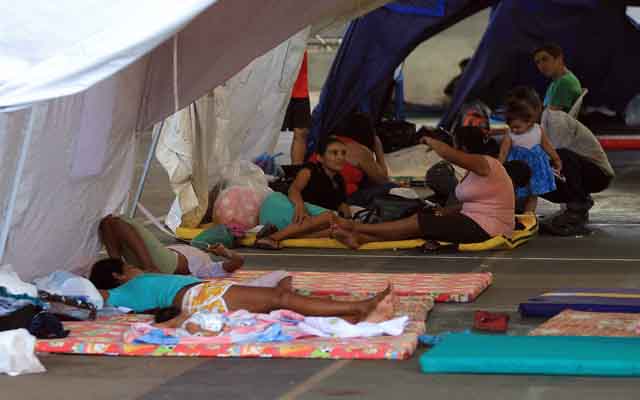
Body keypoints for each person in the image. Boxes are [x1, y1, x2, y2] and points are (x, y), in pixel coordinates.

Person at [329, 126, 532, 249]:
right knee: (424, 219)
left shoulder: (485, 163)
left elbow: (453, 156)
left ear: (463, 148)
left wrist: (433, 142)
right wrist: (444, 211)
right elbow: (471, 205)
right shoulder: (475, 171)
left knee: (419, 222)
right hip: (476, 220)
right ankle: (360, 238)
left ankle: (356, 227)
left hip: (487, 228)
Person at [88, 259, 396, 324]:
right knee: (280, 299)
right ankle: (356, 309)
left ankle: (352, 313)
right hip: (200, 297)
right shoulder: (121, 294)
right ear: (118, 276)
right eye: (128, 267)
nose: (135, 268)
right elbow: (88, 297)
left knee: (278, 302)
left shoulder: (137, 283)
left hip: (207, 292)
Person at [508, 88, 615, 232]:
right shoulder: (528, 130)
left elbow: (561, 164)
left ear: (538, 108)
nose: (521, 117)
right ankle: (519, 210)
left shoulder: (556, 120)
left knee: (556, 157)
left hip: (598, 174)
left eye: (525, 112)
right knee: (522, 165)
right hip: (578, 173)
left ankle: (577, 208)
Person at [256, 136, 350, 249]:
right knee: (330, 217)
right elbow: (294, 189)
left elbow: (344, 208)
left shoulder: (339, 180)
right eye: (334, 153)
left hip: (300, 223)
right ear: (320, 158)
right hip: (282, 207)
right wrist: (300, 206)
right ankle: (273, 238)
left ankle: (273, 236)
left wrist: (350, 220)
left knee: (337, 229)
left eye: (343, 153)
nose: (340, 157)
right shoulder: (310, 169)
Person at [96, 215, 243, 278]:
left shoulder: (210, 267)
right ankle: (116, 267)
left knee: (116, 221)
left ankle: (146, 267)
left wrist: (225, 252)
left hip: (160, 265)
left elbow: (239, 261)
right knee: (106, 224)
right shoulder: (200, 253)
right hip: (151, 261)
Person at [498, 87, 563, 213]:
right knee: (514, 193)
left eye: (517, 127)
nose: (514, 130)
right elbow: (503, 152)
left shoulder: (538, 130)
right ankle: (511, 214)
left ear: (529, 121)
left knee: (533, 195)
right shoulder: (510, 134)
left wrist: (556, 159)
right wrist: (499, 166)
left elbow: (547, 146)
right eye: (511, 127)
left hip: (536, 170)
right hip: (518, 170)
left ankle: (529, 215)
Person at [324, 112, 395, 207]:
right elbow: (383, 180)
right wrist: (378, 150)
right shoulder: (360, 150)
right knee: (392, 187)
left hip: (316, 196)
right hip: (338, 200)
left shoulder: (328, 140)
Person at [533, 43, 583, 113]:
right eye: (537, 62)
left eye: (545, 59)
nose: (541, 65)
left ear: (559, 59)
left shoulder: (565, 82)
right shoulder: (556, 82)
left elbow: (551, 117)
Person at [283, 50, 311, 165]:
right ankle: (260, 170)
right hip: (274, 88)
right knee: (266, 131)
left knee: (302, 131)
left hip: (299, 88)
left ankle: (296, 171)